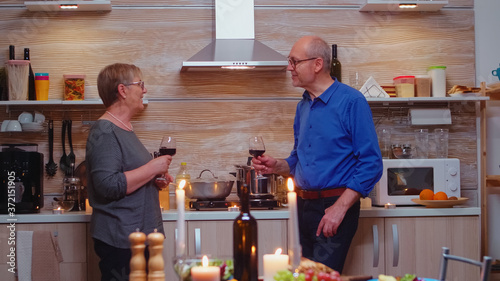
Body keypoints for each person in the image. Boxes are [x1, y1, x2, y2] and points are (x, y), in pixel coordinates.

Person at [252, 36, 383, 273]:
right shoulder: (302, 106)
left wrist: (340, 208)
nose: (289, 67)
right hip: (303, 207)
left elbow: (371, 163)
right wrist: (278, 165)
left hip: (334, 207)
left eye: (294, 61)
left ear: (317, 64)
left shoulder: (352, 102)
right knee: (302, 277)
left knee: (320, 278)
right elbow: (298, 159)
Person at [86, 63, 174, 281]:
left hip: (139, 236)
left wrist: (154, 179)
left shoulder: (124, 128)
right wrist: (152, 167)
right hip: (121, 241)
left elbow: (129, 176)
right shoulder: (105, 130)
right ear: (122, 90)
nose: (144, 90)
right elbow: (107, 185)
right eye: (140, 84)